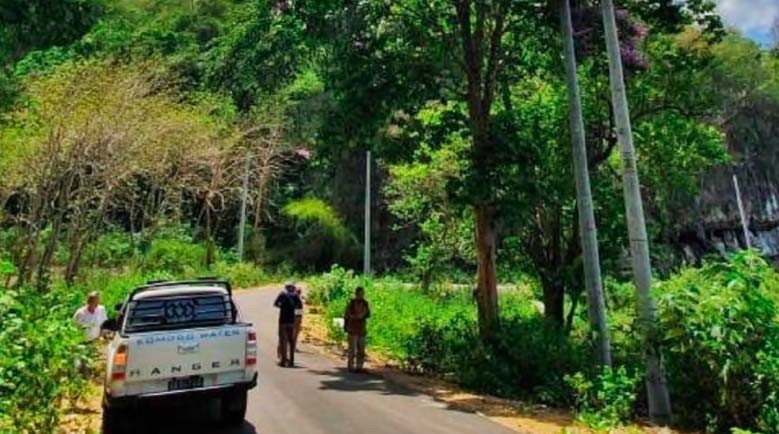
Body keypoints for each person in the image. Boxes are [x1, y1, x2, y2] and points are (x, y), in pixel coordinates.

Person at [343, 286, 370, 372]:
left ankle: (359, 366)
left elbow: (368, 314)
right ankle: (351, 366)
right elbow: (346, 315)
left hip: (362, 329)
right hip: (352, 329)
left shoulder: (365, 303)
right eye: (360, 294)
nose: (361, 296)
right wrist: (346, 326)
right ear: (356, 294)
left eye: (362, 294)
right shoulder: (351, 303)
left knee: (361, 349)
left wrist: (362, 315)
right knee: (352, 350)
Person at [274, 282, 300, 367]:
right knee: (291, 341)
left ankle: (283, 361)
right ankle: (292, 361)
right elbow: (298, 306)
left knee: (283, 341)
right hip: (291, 321)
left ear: (286, 287)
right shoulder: (295, 296)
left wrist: (282, 306)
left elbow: (275, 304)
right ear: (292, 288)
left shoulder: (282, 294)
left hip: (283, 320)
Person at [292, 286, 304, 352]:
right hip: (295, 318)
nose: (299, 293)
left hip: (296, 318)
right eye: (298, 291)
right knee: (294, 333)